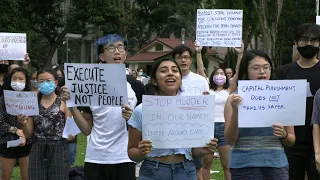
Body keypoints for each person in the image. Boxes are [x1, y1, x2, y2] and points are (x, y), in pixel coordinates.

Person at [61, 34, 137, 180]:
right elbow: (86, 130)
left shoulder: (135, 84)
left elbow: (142, 124)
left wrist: (131, 117)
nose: (117, 51)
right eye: (111, 48)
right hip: (96, 158)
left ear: (125, 54)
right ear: (102, 57)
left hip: (124, 157)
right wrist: (71, 106)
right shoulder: (91, 86)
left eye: (120, 47)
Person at [127, 58, 218, 180]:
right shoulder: (141, 110)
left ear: (180, 79)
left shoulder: (193, 109)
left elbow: (194, 152)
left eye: (175, 70)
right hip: (153, 172)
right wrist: (141, 152)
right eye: (164, 71)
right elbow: (132, 153)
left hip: (186, 171)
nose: (170, 73)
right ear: (154, 80)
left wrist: (203, 149)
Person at [224, 50, 295, 179]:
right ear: (246, 70)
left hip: (276, 164)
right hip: (244, 166)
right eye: (256, 68)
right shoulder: (233, 99)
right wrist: (235, 111)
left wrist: (284, 135)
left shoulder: (282, 97)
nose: (262, 71)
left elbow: (291, 140)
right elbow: (230, 140)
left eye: (266, 67)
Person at [276, 23, 320, 180]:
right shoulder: (283, 72)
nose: (309, 44)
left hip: (319, 143)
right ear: (296, 42)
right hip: (290, 142)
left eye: (314, 40)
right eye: (304, 39)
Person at [19, 68, 71, 179]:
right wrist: (23, 122)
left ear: (55, 82)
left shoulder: (64, 103)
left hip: (58, 148)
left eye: (48, 80)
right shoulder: (32, 103)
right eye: (41, 81)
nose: (45, 83)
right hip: (37, 147)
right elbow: (28, 134)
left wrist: (70, 134)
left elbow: (71, 130)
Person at [172, 45, 209, 180]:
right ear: (174, 60)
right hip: (173, 129)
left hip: (194, 130)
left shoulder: (200, 80)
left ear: (191, 60)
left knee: (196, 169)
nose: (183, 60)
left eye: (186, 57)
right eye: (179, 57)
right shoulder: (169, 80)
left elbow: (206, 104)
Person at [0, 67, 32, 180]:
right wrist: (16, 130)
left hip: (27, 143)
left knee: (27, 176)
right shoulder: (3, 99)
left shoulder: (31, 99)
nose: (17, 82)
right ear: (10, 80)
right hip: (7, 141)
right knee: (5, 176)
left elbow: (34, 120)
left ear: (26, 81)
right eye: (14, 79)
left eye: (21, 79)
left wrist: (24, 135)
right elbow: (0, 121)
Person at [54, 66, 77, 166]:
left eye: (62, 76)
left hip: (71, 134)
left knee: (69, 159)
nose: (60, 78)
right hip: (55, 137)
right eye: (58, 76)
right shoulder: (50, 97)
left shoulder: (74, 95)